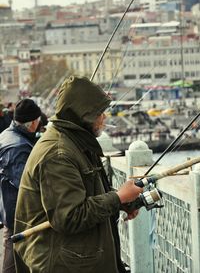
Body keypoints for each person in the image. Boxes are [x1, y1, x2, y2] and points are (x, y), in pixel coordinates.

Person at [14, 76, 143, 273]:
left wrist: (120, 202)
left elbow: (82, 194)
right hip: (62, 263)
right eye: (100, 113)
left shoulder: (74, 141)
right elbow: (69, 216)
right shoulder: (58, 154)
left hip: (77, 259)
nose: (104, 118)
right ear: (85, 116)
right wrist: (118, 197)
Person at [0, 98, 41, 273]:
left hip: (10, 211)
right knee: (13, 264)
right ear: (32, 123)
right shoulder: (18, 147)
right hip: (18, 215)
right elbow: (25, 185)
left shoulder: (7, 135)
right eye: (38, 122)